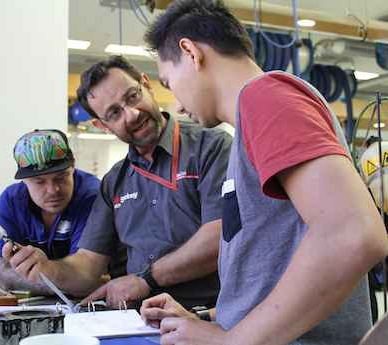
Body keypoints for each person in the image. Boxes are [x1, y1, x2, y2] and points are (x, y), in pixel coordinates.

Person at [139, 0, 388, 344]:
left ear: (191, 53)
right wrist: (210, 318)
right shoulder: (250, 119)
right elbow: (276, 259)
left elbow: (352, 235)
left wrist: (228, 341)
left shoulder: (265, 97)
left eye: (169, 83)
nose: (178, 105)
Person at [2, 55, 233, 310]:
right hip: (138, 321)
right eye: (114, 113)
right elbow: (88, 262)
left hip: (209, 314)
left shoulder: (211, 147)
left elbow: (221, 237)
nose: (132, 114)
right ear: (102, 125)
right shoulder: (114, 182)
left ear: (146, 84)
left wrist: (144, 279)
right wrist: (49, 269)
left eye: (132, 96)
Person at [0, 129, 122, 297]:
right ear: (24, 180)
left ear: (73, 166)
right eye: (39, 182)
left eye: (60, 177)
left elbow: (88, 272)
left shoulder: (95, 196)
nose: (53, 190)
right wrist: (63, 288)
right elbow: (4, 276)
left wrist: (35, 280)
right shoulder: (10, 200)